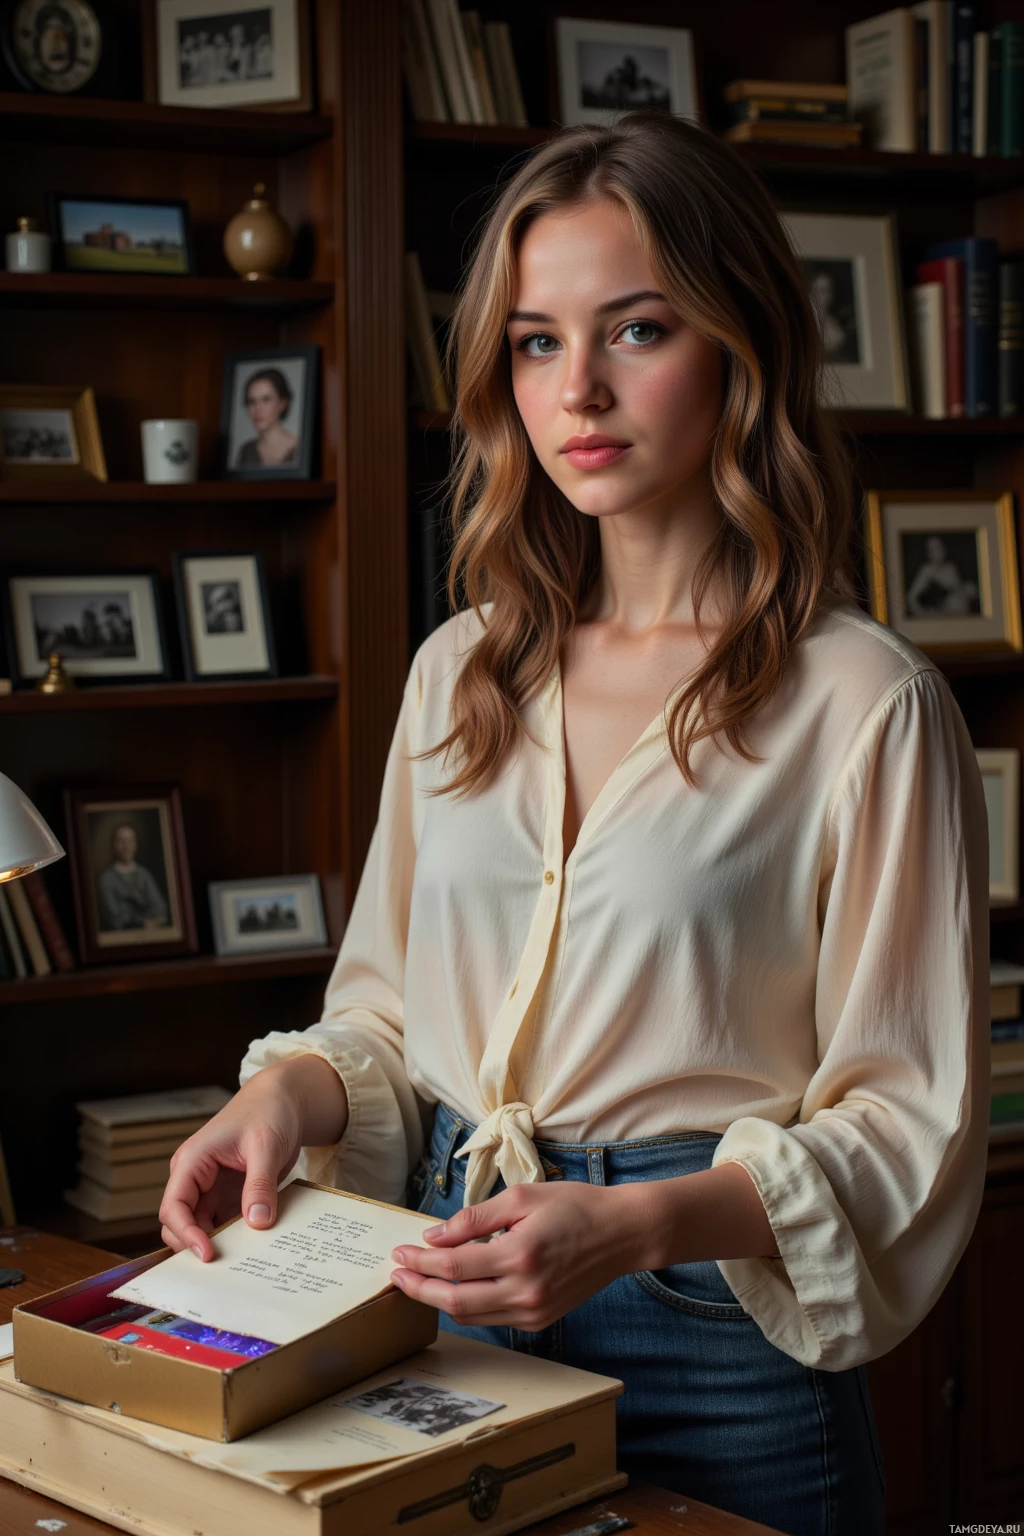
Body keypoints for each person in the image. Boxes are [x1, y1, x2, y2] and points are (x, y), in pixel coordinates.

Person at [159, 112, 990, 1536]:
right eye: (537, 342)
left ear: (741, 345)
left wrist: (644, 1222)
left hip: (717, 1332)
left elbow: (909, 1118)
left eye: (637, 330)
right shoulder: (459, 672)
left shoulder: (866, 702)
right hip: (439, 1289)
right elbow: (389, 1016)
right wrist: (282, 1097)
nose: (579, 390)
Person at [95, 822, 169, 932]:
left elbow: (160, 909)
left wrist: (149, 921)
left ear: (136, 844)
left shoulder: (144, 874)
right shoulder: (107, 878)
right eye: (121, 841)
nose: (126, 846)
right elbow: (115, 917)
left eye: (130, 841)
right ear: (113, 845)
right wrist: (142, 923)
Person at [234, 367, 299, 468]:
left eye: (266, 399)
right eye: (252, 401)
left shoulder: (300, 449)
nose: (258, 409)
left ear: (283, 403)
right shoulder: (246, 451)